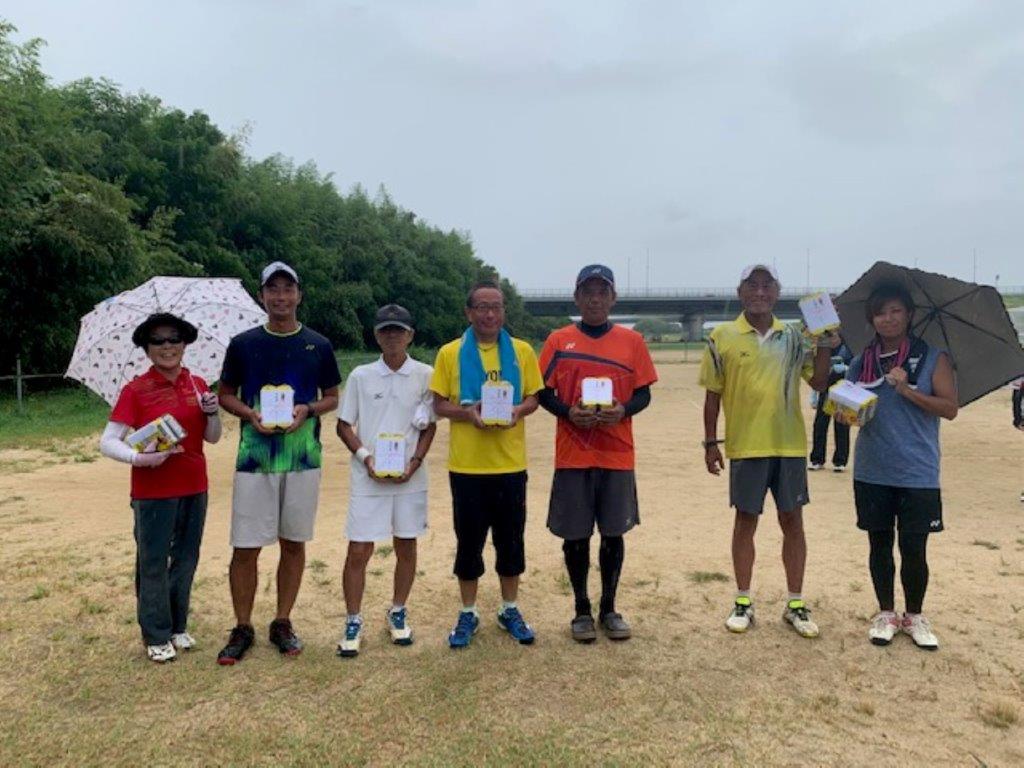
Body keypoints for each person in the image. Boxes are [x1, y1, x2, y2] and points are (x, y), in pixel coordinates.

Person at [215, 261, 341, 664]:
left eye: (288, 289)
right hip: (255, 459)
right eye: (273, 289)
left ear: (299, 295)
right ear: (262, 295)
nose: (281, 297)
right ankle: (242, 627)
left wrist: (308, 409)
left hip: (303, 458)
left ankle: (282, 621)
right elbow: (225, 394)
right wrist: (249, 414)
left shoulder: (318, 344)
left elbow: (332, 397)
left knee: (293, 542)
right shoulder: (243, 344)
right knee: (245, 546)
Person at [700, 264, 834, 639]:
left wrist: (825, 344)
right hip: (746, 445)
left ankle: (796, 603)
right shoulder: (721, 337)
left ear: (777, 293)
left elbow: (818, 381)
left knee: (793, 522)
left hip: (789, 445)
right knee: (746, 522)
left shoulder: (793, 337)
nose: (759, 292)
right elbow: (712, 395)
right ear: (740, 292)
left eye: (767, 286)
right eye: (752, 285)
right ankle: (743, 600)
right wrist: (710, 443)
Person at [537, 265, 658, 642]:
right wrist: (567, 412)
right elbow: (542, 392)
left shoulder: (631, 341)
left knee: (613, 533)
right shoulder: (558, 341)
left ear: (613, 298)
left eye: (602, 292)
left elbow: (644, 394)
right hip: (573, 454)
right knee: (575, 535)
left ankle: (609, 608)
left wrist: (623, 410)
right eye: (587, 292)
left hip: (616, 454)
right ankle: (581, 609)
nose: (594, 299)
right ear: (576, 298)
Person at [99, 313, 222, 663]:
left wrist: (212, 413)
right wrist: (139, 459)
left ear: (184, 344)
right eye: (158, 340)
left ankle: (177, 626)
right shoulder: (136, 389)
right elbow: (108, 441)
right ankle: (155, 634)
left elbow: (212, 438)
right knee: (153, 562)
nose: (167, 346)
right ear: (146, 348)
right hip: (153, 491)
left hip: (194, 484)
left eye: (174, 339)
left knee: (186, 558)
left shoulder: (197, 384)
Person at [842, 283, 958, 650]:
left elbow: (949, 408)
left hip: (917, 469)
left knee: (914, 546)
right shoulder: (862, 361)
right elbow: (849, 411)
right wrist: (846, 411)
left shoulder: (932, 357)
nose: (888, 319)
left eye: (895, 311)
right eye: (880, 313)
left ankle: (915, 615)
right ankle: (886, 613)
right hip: (872, 468)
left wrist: (907, 390)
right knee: (879, 543)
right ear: (871, 319)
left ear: (909, 314)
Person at [430, 280, 543, 648]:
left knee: (511, 541)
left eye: (496, 307)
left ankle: (510, 608)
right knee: (469, 543)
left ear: (503, 312)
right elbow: (438, 404)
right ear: (469, 312)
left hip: (510, 465)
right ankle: (468, 612)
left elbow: (533, 397)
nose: (490, 314)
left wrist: (517, 411)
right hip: (467, 468)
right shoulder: (449, 353)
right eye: (482, 307)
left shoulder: (522, 351)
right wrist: (467, 413)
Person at [335, 304, 437, 657]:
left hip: (410, 476)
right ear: (376, 335)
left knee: (406, 545)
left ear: (410, 335)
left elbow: (430, 425)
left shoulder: (425, 374)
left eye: (399, 330)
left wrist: (416, 461)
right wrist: (366, 458)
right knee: (359, 549)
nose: (392, 336)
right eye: (385, 330)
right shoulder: (361, 375)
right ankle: (353, 618)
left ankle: (398, 610)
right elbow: (344, 425)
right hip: (369, 477)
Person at [808, 334, 853, 472]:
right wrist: (814, 394)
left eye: (834, 337)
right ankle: (817, 459)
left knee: (842, 425)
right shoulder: (822, 350)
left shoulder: (848, 349)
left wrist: (846, 368)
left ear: (840, 337)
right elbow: (815, 372)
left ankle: (840, 461)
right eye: (829, 338)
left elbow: (855, 368)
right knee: (820, 424)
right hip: (825, 389)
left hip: (843, 391)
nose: (832, 341)